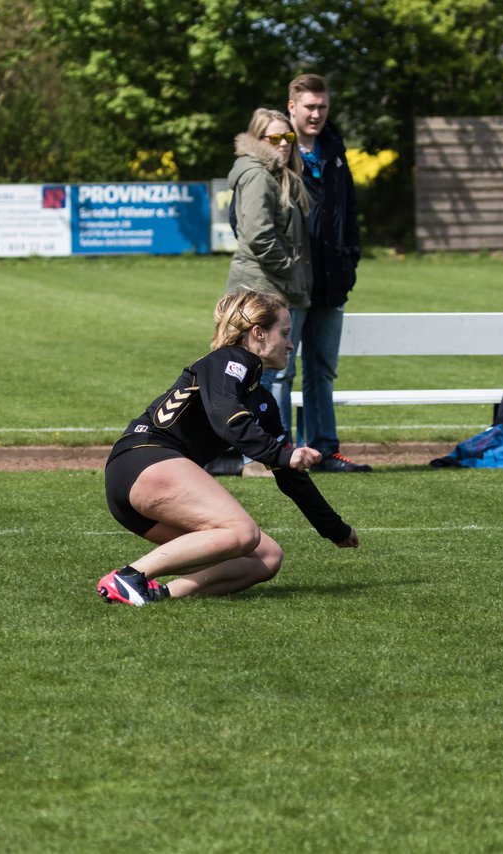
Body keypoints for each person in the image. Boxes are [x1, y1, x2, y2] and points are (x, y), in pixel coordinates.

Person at [98, 288, 360, 606]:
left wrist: (333, 528)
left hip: (138, 484)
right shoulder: (232, 360)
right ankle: (129, 577)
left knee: (265, 557)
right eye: (286, 333)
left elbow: (289, 474)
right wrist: (284, 454)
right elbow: (229, 420)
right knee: (241, 530)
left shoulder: (261, 402)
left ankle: (159, 595)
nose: (291, 344)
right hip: (145, 460)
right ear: (258, 333)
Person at [286, 73, 370, 472]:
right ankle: (278, 453)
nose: (316, 114)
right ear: (292, 108)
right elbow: (245, 218)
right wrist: (284, 268)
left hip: (331, 281)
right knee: (279, 372)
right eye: (309, 107)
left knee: (321, 371)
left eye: (322, 107)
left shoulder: (335, 149)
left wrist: (349, 259)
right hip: (291, 283)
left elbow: (349, 211)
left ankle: (324, 451)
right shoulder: (276, 149)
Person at [225, 107, 313, 477]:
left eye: (287, 137)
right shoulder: (258, 174)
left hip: (272, 286)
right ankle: (258, 459)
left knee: (276, 373)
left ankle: (272, 454)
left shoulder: (281, 175)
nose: (281, 144)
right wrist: (290, 270)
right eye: (273, 138)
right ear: (258, 139)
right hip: (262, 287)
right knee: (260, 375)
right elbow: (258, 236)